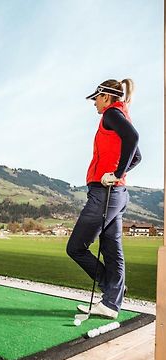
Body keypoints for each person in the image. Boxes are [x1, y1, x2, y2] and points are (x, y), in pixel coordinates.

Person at [66, 79, 141, 319]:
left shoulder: (111, 114)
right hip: (116, 194)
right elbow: (137, 157)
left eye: (96, 98)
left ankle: (111, 289)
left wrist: (116, 173)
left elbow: (134, 139)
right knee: (111, 249)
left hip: (105, 194)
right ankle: (111, 302)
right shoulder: (120, 115)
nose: (94, 103)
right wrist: (119, 174)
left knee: (76, 247)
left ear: (106, 97)